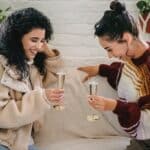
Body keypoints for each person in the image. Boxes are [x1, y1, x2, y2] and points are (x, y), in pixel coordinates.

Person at [78, 0, 150, 149]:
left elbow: (147, 119)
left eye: (109, 49)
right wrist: (100, 69)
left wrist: (114, 106)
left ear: (127, 38)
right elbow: (131, 78)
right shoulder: (132, 57)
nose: (109, 56)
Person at [0, 7, 64, 150]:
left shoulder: (31, 67)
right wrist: (41, 98)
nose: (39, 46)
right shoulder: (1, 65)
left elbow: (57, 73)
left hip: (24, 142)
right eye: (34, 40)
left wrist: (45, 48)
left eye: (42, 40)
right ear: (16, 38)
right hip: (4, 142)